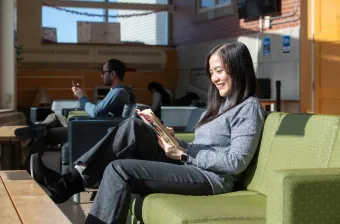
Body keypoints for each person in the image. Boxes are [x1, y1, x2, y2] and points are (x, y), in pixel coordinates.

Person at [29, 42, 265, 223]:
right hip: (191, 164)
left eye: (219, 71)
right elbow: (204, 144)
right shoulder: (219, 106)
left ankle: (65, 185)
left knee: (118, 169)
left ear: (237, 68)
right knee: (135, 125)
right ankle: (68, 182)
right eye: (211, 72)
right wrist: (174, 140)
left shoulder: (249, 108)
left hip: (211, 178)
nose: (214, 78)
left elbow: (236, 162)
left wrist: (183, 154)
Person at [15, 58, 136, 170]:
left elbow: (95, 112)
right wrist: (84, 96)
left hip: (89, 130)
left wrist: (82, 97)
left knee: (45, 135)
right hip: (89, 127)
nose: (101, 75)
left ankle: (26, 168)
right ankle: (37, 129)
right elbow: (99, 110)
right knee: (54, 116)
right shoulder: (118, 92)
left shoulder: (119, 92)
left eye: (103, 72)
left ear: (113, 74)